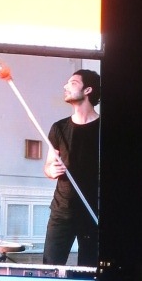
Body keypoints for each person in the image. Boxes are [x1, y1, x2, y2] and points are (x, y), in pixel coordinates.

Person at [43, 69, 101, 267]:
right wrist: (51, 170)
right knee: (50, 268)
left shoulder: (105, 129)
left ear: (88, 90)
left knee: (90, 271)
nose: (65, 86)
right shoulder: (58, 128)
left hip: (94, 212)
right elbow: (48, 166)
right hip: (62, 212)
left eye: (73, 83)